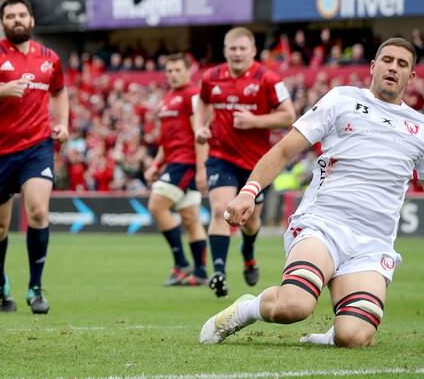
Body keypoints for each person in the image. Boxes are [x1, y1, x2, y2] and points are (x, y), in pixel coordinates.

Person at [200, 37, 420, 348]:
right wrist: (249, 192)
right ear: (373, 66)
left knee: (353, 337)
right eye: (387, 60)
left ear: (411, 76)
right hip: (323, 224)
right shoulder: (341, 100)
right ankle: (245, 310)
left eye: (402, 64)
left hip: (372, 243)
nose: (392, 68)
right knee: (295, 305)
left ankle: (334, 331)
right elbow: (283, 150)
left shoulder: (419, 128)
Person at [0, 0, 69, 314]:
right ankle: (0, 286)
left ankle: (36, 288)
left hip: (37, 148)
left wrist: (61, 123)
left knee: (38, 212)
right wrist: (1, 90)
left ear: (32, 20)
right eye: (11, 16)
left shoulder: (50, 57)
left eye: (23, 15)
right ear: (3, 22)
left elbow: (59, 92)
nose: (18, 20)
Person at [194, 27, 296, 298]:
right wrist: (199, 128)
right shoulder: (211, 77)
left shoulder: (268, 78)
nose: (237, 53)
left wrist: (255, 121)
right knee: (221, 211)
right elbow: (202, 104)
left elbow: (289, 115)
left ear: (252, 51)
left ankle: (249, 252)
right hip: (220, 157)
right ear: (225, 51)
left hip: (256, 165)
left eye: (242, 49)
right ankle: (218, 273)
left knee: (250, 223)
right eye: (232, 49)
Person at [143, 54, 209, 286]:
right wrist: (156, 164)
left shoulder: (192, 96)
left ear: (189, 71)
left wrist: (201, 169)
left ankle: (181, 263)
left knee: (156, 205)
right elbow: (167, 139)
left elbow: (200, 134)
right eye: (169, 71)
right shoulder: (169, 97)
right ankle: (200, 273)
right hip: (173, 161)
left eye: (177, 70)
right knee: (190, 218)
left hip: (187, 163)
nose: (172, 74)